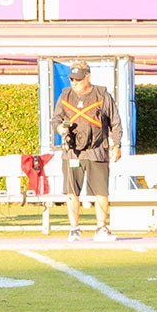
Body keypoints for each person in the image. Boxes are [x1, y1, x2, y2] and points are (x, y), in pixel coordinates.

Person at [52, 63, 120, 242]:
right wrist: (60, 129)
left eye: (78, 79)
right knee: (71, 191)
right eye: (72, 79)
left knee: (101, 191)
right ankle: (74, 229)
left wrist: (116, 145)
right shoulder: (65, 95)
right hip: (73, 152)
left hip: (97, 150)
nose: (75, 82)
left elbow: (115, 122)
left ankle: (101, 228)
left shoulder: (102, 95)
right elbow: (56, 119)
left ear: (87, 77)